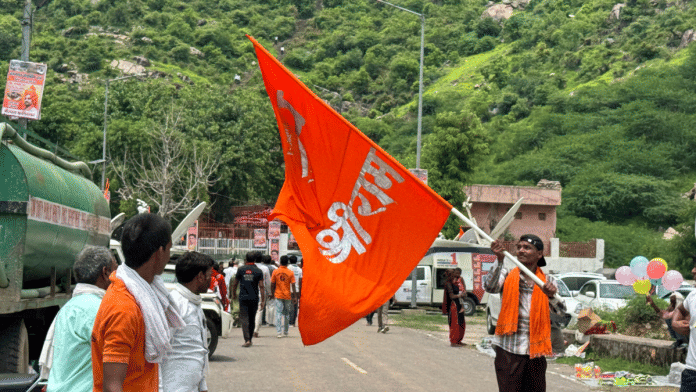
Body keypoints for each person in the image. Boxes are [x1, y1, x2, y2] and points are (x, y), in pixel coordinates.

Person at [91, 213, 184, 392]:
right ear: (160, 252)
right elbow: (112, 386)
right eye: (170, 249)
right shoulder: (124, 308)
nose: (170, 255)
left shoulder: (137, 298)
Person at [486, 235, 566, 392]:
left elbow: (561, 313)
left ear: (539, 254)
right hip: (509, 350)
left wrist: (551, 295)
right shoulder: (507, 275)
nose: (521, 250)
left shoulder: (547, 281)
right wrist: (500, 260)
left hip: (536, 353)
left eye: (527, 247)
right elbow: (490, 287)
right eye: (519, 247)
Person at [39, 246, 117, 392]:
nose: (118, 277)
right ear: (105, 273)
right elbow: (115, 361)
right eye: (115, 270)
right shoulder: (99, 309)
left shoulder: (69, 307)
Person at [160, 252, 214, 392]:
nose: (211, 279)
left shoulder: (194, 304)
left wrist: (202, 386)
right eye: (210, 275)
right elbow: (158, 352)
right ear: (200, 277)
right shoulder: (175, 305)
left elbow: (198, 349)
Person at [671, 258, 696, 391]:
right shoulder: (693, 296)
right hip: (692, 372)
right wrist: (675, 323)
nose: (693, 271)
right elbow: (680, 310)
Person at [232, 251, 265, 347]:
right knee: (252, 318)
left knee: (244, 319)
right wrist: (263, 300)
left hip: (243, 297)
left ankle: (247, 339)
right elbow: (261, 286)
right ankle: (249, 339)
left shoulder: (241, 269)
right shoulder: (258, 271)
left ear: (246, 259)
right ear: (254, 260)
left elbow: (235, 283)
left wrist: (233, 294)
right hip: (254, 298)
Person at [271, 255, 297, 338]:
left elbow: (272, 283)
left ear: (281, 262)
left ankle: (279, 332)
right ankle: (285, 331)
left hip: (278, 295)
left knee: (278, 313)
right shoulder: (290, 272)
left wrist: (272, 293)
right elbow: (293, 285)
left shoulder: (275, 271)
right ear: (287, 262)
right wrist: (295, 296)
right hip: (287, 296)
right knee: (286, 314)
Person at [443, 268, 466, 346]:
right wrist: (459, 295)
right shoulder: (448, 283)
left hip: (459, 303)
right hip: (454, 305)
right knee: (455, 323)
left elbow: (463, 289)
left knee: (461, 322)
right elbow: (452, 296)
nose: (456, 275)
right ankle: (453, 341)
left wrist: (464, 293)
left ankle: (459, 340)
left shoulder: (458, 281)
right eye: (454, 273)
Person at [252, 255, 272, 336]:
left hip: (249, 292)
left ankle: (250, 329)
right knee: (259, 311)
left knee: (251, 311)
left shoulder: (250, 267)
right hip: (261, 292)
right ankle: (256, 330)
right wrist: (270, 292)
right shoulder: (264, 268)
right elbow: (267, 282)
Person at [287, 255, 302, 326]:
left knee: (290, 305)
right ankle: (293, 322)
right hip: (297, 290)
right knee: (295, 306)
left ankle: (290, 321)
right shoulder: (299, 269)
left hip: (289, 289)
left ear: (289, 261)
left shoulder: (288, 268)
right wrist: (300, 291)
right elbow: (300, 281)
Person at [263, 255, 277, 327]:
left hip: (261, 288)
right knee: (271, 305)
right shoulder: (274, 268)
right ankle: (270, 322)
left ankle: (262, 321)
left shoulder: (261, 268)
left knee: (262, 305)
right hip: (271, 288)